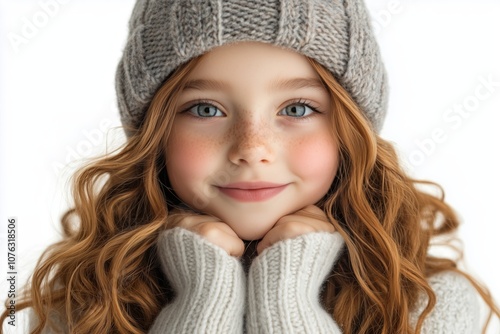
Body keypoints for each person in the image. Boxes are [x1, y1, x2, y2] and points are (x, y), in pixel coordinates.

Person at [2, 0, 499, 333]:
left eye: (297, 109)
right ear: (154, 133)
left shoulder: (427, 307)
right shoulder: (83, 308)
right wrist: (202, 297)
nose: (251, 148)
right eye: (206, 110)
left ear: (351, 131)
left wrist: (289, 296)